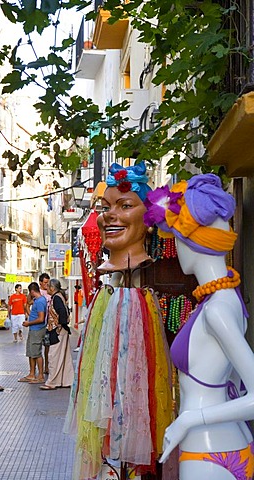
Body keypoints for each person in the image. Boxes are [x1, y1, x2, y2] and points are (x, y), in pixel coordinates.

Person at [64, 162, 172, 480]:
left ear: (149, 220)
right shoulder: (106, 297)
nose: (110, 215)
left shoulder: (140, 300)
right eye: (105, 207)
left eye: (125, 206)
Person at [144, 174, 254, 480]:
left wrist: (189, 420)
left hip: (206, 446)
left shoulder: (217, 310)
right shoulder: (228, 300)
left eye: (176, 240)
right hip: (230, 440)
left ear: (190, 243)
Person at [40, 278, 74, 390]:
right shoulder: (59, 296)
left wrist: (60, 326)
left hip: (57, 331)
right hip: (61, 330)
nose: (46, 288)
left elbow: (62, 313)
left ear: (52, 288)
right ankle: (66, 380)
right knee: (63, 357)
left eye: (48, 286)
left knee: (53, 356)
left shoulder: (56, 298)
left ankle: (52, 381)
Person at [18, 282, 46, 384]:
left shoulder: (40, 302)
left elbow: (41, 318)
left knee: (36, 353)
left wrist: (29, 323)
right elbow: (31, 311)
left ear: (32, 291)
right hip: (33, 329)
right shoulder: (37, 300)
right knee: (31, 352)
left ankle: (41, 376)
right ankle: (32, 374)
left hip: (37, 329)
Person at [39, 273, 51, 374]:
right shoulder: (38, 293)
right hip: (39, 324)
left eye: (48, 283)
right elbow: (28, 304)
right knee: (37, 347)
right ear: (40, 283)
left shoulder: (50, 292)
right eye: (45, 283)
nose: (47, 285)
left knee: (47, 346)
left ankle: (46, 366)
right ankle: (37, 368)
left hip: (48, 324)